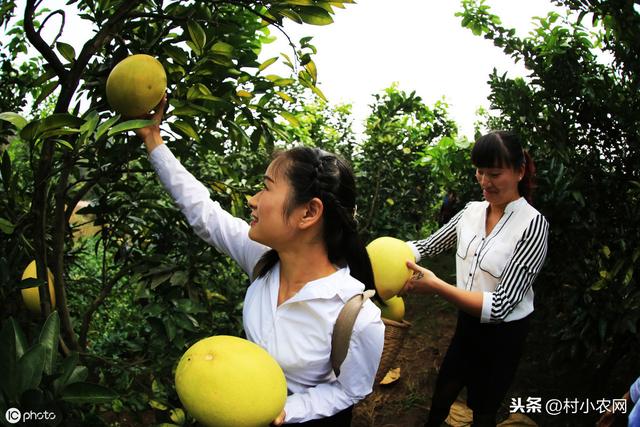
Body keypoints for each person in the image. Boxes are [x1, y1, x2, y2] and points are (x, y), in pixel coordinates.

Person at [135, 97, 385, 426]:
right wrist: (153, 140)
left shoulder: (356, 317)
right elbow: (205, 215)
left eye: (265, 188)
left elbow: (351, 389)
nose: (253, 201)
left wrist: (288, 409)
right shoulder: (264, 261)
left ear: (308, 212)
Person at [401, 130, 549, 426]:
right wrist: (386, 255)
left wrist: (436, 287)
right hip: (467, 324)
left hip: (503, 335)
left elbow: (501, 306)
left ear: (519, 171)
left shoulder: (533, 225)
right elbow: (428, 245)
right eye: (480, 172)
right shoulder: (470, 212)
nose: (485, 182)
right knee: (443, 393)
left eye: (494, 173)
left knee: (483, 408)